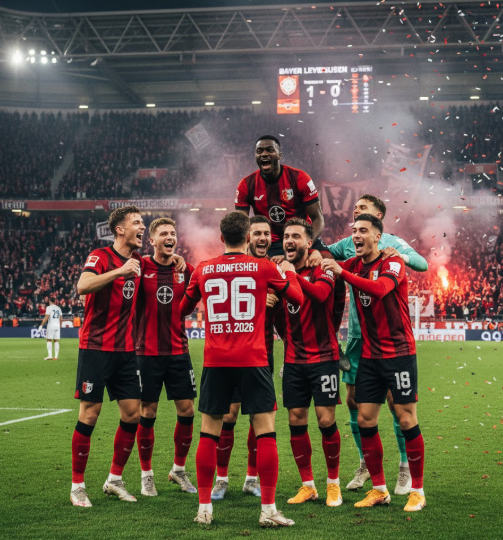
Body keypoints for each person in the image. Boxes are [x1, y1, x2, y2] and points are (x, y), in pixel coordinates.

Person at [180, 211, 303, 527]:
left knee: (209, 432)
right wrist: (286, 272)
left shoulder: (205, 270)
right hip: (253, 360)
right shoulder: (264, 268)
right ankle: (268, 511)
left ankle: (204, 509)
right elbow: (298, 298)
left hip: (216, 361)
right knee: (266, 432)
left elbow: (181, 309)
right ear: (248, 237)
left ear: (221, 238)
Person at [322, 214, 426, 512]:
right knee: (365, 419)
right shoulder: (354, 264)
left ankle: (417, 490)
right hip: (370, 356)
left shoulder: (392, 263)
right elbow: (327, 265)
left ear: (378, 237)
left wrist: (341, 274)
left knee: (406, 418)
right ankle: (379, 489)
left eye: (363, 230)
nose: (356, 235)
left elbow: (379, 289)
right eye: (354, 230)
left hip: (399, 354)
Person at [70, 206, 145, 507]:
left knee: (132, 414)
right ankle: (77, 486)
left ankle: (114, 479)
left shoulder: (139, 261)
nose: (142, 227)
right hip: (96, 348)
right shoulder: (101, 256)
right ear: (119, 229)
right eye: (137, 223)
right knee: (90, 414)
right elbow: (83, 286)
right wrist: (120, 271)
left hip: (126, 351)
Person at [276, 218, 342, 508]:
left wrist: (292, 276)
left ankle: (333, 484)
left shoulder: (322, 268)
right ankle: (307, 486)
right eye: (286, 236)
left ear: (308, 243)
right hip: (293, 360)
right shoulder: (282, 271)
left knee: (326, 421)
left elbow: (320, 295)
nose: (289, 241)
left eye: (295, 237)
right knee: (295, 420)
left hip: (323, 358)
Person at [211, 215, 276, 501]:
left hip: (263, 353)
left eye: (267, 233)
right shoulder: (232, 267)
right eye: (257, 233)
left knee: (259, 419)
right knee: (229, 415)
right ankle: (221, 479)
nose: (263, 238)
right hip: (232, 354)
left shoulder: (272, 268)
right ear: (247, 236)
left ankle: (251, 478)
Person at [135, 217, 197, 497]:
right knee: (147, 412)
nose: (170, 237)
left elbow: (197, 292)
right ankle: (146, 475)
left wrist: (185, 263)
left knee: (187, 411)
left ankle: (178, 471)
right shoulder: (140, 267)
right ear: (152, 240)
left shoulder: (185, 270)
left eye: (173, 233)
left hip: (178, 351)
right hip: (146, 353)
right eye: (163, 233)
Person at [235, 135, 327, 259]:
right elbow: (241, 224)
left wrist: (306, 245)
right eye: (259, 151)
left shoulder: (300, 178)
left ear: (280, 155)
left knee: (329, 262)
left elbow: (318, 219)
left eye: (270, 150)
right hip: (269, 244)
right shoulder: (246, 185)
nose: (264, 154)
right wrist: (249, 248)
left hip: (301, 238)